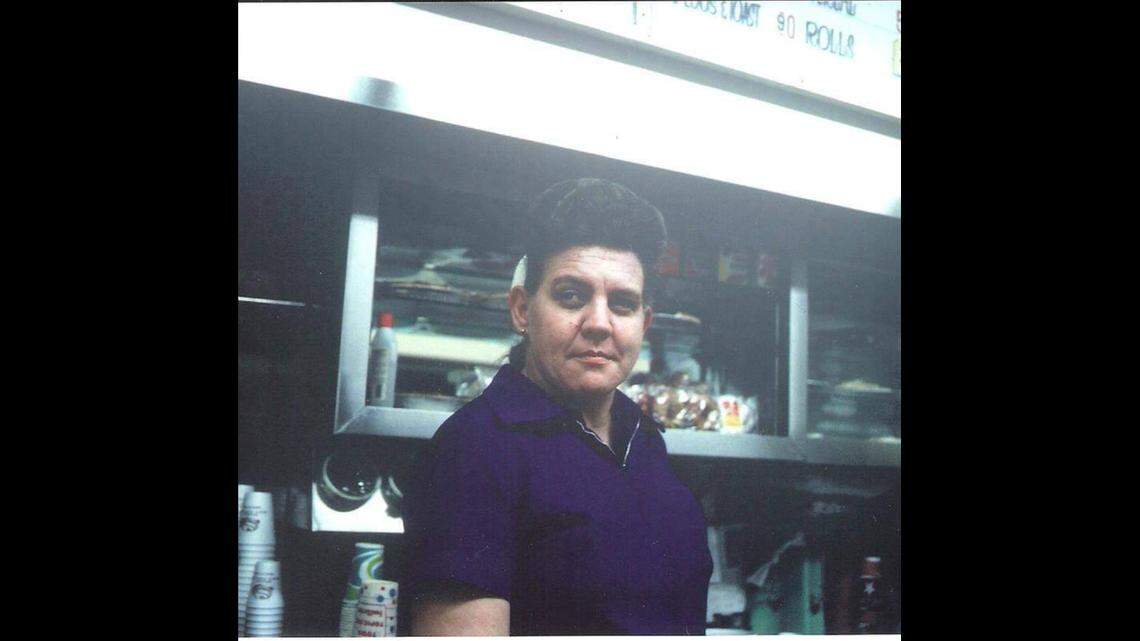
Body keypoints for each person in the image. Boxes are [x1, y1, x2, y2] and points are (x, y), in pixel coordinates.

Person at [402, 178, 713, 635]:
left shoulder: (646, 443)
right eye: (572, 296)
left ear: (644, 324)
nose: (600, 324)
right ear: (522, 310)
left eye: (623, 304)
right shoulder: (474, 450)